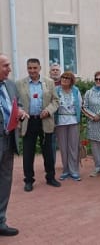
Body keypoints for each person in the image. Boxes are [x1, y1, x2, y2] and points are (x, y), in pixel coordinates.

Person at [17, 58, 60, 192]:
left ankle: (51, 177)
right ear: (27, 68)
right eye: (30, 68)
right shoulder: (19, 84)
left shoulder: (49, 82)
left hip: (45, 121)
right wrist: (20, 111)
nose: (32, 71)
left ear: (40, 68)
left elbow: (56, 101)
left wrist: (48, 110)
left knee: (48, 151)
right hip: (28, 121)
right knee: (28, 153)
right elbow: (16, 103)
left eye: (35, 68)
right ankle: (29, 180)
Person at [0, 54, 28, 237]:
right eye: (5, 66)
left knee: (5, 181)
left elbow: (17, 104)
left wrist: (20, 111)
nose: (9, 69)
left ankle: (1, 220)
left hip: (9, 139)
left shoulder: (10, 85)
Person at [55, 71, 82, 181]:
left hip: (73, 120)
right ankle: (65, 170)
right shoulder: (56, 90)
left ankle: (74, 170)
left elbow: (80, 104)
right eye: (63, 77)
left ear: (71, 81)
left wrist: (78, 118)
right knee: (63, 147)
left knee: (73, 146)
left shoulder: (75, 91)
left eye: (67, 78)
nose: (65, 79)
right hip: (60, 121)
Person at [49, 63, 61, 168]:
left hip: (63, 116)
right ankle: (51, 165)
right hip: (50, 116)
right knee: (51, 142)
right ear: (50, 72)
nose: (55, 71)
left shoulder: (65, 83)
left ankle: (68, 164)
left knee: (64, 141)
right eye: (53, 70)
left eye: (57, 70)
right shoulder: (46, 83)